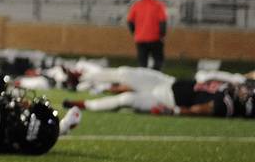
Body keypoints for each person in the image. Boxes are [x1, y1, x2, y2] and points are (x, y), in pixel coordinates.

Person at [65, 66, 253, 118]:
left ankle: (84, 104)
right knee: (124, 72)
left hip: (166, 99)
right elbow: (248, 76)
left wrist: (176, 111)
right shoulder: (236, 82)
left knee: (127, 99)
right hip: (167, 81)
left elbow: (206, 108)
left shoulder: (228, 103)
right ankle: (81, 77)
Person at [127, 0, 167, 69]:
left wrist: (134, 32)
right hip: (155, 38)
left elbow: (130, 21)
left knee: (142, 63)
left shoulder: (136, 5)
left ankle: (143, 80)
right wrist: (162, 35)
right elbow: (163, 22)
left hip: (140, 39)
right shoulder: (158, 5)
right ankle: (155, 79)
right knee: (158, 61)